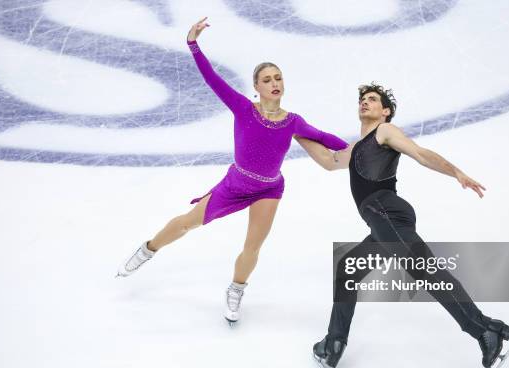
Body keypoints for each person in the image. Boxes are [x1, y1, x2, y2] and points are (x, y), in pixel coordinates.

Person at [116, 18, 348, 326]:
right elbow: (212, 79)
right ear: (256, 86)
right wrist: (193, 44)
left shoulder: (293, 121)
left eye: (278, 77)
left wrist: (360, 147)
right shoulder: (243, 108)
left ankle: (236, 289)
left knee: (253, 246)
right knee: (187, 224)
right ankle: (148, 249)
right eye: (267, 79)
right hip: (236, 183)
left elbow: (324, 137)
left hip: (269, 189)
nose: (274, 83)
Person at [297, 83, 509, 368]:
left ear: (385, 111)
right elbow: (329, 161)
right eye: (362, 100)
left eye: (373, 99)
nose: (365, 103)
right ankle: (334, 344)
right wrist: (294, 131)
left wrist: (455, 172)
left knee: (424, 269)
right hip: (382, 222)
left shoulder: (385, 131)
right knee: (348, 271)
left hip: (385, 212)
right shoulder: (355, 148)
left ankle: (484, 329)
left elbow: (420, 153)